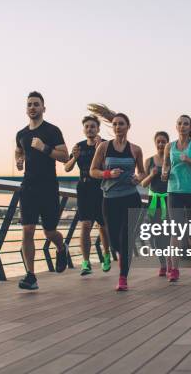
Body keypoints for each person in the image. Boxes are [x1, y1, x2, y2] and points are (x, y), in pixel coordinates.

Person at [15, 91, 70, 290]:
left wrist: (44, 148)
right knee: (27, 229)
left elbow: (65, 156)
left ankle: (61, 247)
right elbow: (18, 149)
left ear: (43, 108)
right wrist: (19, 160)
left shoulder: (52, 131)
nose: (32, 107)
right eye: (29, 104)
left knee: (49, 232)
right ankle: (31, 276)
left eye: (36, 104)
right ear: (26, 108)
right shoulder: (21, 134)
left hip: (48, 187)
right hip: (28, 187)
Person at [89, 104, 145, 291]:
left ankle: (123, 278)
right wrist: (108, 174)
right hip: (110, 199)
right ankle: (122, 257)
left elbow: (143, 173)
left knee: (127, 238)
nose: (117, 127)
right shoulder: (104, 147)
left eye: (121, 124)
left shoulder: (135, 149)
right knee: (114, 240)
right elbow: (92, 171)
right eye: (114, 124)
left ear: (128, 126)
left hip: (131, 198)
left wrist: (138, 178)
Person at [161, 115, 191, 282]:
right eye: (179, 123)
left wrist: (190, 161)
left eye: (185, 124)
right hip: (174, 192)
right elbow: (166, 165)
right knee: (176, 230)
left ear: (190, 127)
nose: (182, 126)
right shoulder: (169, 146)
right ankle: (174, 269)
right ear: (176, 126)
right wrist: (164, 173)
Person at [64, 115, 111, 275]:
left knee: (103, 226)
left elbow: (108, 167)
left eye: (92, 126)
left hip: (102, 189)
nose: (89, 129)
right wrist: (75, 157)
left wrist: (100, 150)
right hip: (84, 189)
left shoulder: (104, 145)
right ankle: (86, 262)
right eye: (87, 127)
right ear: (84, 129)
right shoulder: (79, 146)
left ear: (98, 129)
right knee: (85, 225)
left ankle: (106, 255)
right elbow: (67, 168)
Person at [140, 131, 170, 277]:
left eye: (163, 141)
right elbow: (143, 183)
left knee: (169, 234)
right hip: (154, 202)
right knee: (156, 234)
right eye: (158, 141)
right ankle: (162, 264)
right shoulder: (149, 161)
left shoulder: (171, 160)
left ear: (167, 144)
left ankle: (170, 262)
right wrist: (152, 175)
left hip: (169, 200)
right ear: (155, 143)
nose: (160, 144)